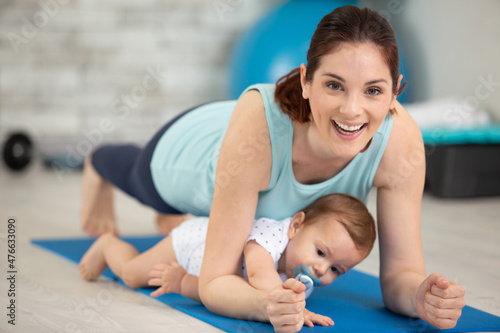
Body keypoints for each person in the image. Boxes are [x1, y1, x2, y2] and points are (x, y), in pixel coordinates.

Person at [80, 5, 465, 332]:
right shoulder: (259, 129)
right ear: (306, 81)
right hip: (194, 154)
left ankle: (173, 220)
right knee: (134, 176)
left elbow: (401, 274)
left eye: (374, 91)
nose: (352, 110)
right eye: (334, 85)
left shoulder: (401, 142)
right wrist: (266, 305)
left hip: (243, 183)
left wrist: (421, 297)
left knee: (205, 228)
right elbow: (215, 281)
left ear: (396, 92)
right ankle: (97, 163)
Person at [79, 193, 375, 328]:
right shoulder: (271, 235)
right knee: (132, 275)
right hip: (194, 243)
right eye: (321, 253)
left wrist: (183, 283)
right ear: (296, 225)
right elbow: (257, 273)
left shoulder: (302, 279)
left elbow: (225, 289)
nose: (321, 269)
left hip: (206, 273)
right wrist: (292, 305)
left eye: (336, 269)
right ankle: (107, 245)